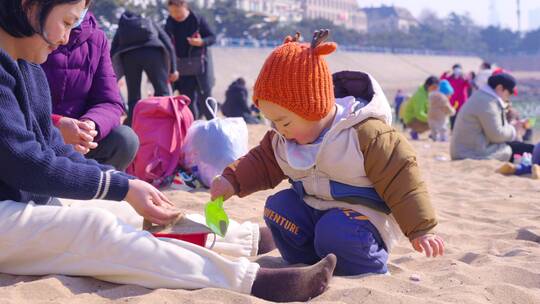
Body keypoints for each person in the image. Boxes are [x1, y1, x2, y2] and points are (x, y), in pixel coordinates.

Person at [0, 1, 337, 301]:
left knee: (132, 212)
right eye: (67, 21)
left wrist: (121, 184)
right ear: (29, 7)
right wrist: (121, 186)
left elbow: (53, 147)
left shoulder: (28, 67)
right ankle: (252, 282)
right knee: (93, 227)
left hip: (25, 197)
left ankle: (243, 240)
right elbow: (26, 163)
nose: (67, 37)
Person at [210, 31, 445, 276]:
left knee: (335, 232)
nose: (280, 130)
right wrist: (231, 180)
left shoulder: (364, 133)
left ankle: (367, 267)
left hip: (360, 218)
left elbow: (402, 178)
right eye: (273, 122)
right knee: (278, 207)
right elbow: (261, 162)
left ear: (316, 108)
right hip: (314, 208)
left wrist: (420, 229)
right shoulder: (283, 137)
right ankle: (307, 263)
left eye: (285, 122)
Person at [41, 10, 139, 171]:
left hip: (79, 142)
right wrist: (56, 125)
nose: (64, 38)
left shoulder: (97, 37)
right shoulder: (28, 31)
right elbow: (11, 104)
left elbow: (110, 101)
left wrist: (90, 126)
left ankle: (90, 188)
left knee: (125, 139)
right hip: (33, 136)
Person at [111, 11, 178, 126]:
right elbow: (168, 44)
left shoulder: (123, 26)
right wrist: (173, 69)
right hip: (153, 52)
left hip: (129, 56)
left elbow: (113, 49)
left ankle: (133, 125)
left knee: (134, 95)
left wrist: (112, 74)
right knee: (162, 92)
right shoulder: (148, 21)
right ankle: (166, 122)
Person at [450, 73, 534, 161]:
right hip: (472, 154)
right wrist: (514, 130)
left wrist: (511, 127)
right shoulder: (487, 103)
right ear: (500, 88)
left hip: (469, 150)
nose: (510, 96)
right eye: (510, 92)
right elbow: (497, 135)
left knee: (524, 148)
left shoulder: (483, 97)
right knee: (526, 150)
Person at [166, 0, 215, 120]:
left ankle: (214, 125)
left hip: (200, 68)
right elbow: (166, 45)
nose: (175, 15)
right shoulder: (169, 22)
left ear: (184, 6)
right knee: (188, 101)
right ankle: (192, 128)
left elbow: (212, 37)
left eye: (177, 11)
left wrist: (201, 42)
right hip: (182, 69)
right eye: (172, 12)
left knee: (206, 99)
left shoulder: (197, 20)